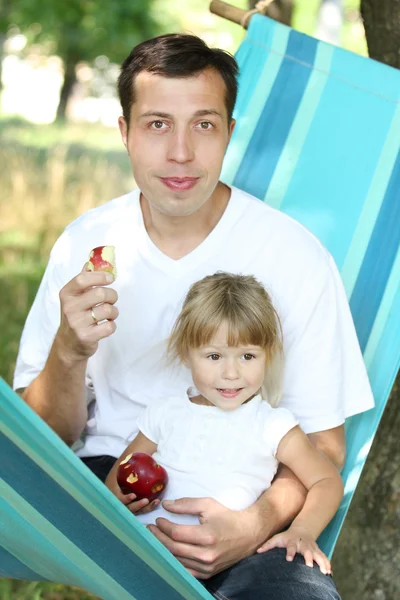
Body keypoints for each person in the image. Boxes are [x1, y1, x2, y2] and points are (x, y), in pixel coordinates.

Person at [13, 33, 374, 599]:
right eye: (157, 124)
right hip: (106, 484)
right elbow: (42, 442)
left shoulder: (294, 258)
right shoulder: (86, 245)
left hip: (243, 491)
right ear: (125, 133)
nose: (180, 153)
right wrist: (68, 349)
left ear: (230, 132)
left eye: (203, 124)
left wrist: (255, 522)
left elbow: (324, 450)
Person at [105, 271, 344, 584]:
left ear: (267, 355)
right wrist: (125, 498)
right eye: (214, 356)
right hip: (140, 558)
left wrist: (302, 531)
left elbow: (327, 480)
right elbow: (115, 480)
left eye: (247, 355)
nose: (231, 373)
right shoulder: (166, 412)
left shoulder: (272, 425)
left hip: (221, 568)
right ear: (185, 354)